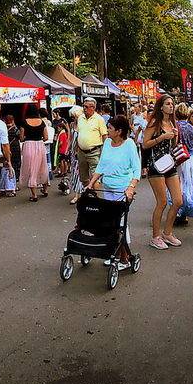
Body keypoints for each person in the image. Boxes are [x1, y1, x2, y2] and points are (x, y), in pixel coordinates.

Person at [85, 115, 141, 269]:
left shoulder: (129, 144)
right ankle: (113, 253)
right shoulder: (108, 143)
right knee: (109, 222)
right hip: (108, 188)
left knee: (120, 224)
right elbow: (101, 166)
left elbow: (136, 170)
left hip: (123, 190)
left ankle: (124, 258)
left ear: (119, 131)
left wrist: (131, 188)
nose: (107, 130)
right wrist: (91, 183)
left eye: (110, 128)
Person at [143, 94, 183, 250]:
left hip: (169, 163)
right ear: (161, 107)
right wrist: (162, 137)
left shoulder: (172, 122)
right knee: (162, 202)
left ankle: (168, 232)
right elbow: (145, 144)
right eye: (168, 104)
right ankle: (155, 237)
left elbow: (173, 145)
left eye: (172, 103)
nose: (171, 106)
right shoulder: (154, 123)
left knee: (178, 200)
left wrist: (174, 136)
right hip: (155, 165)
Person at [19, 105, 49, 202]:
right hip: (40, 145)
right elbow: (46, 137)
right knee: (42, 167)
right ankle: (45, 189)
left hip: (28, 145)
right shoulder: (42, 122)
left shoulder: (24, 122)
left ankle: (34, 194)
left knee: (31, 169)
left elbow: (21, 137)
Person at [174, 103, 193, 226]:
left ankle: (178, 211)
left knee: (178, 185)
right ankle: (187, 211)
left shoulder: (175, 126)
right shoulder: (191, 127)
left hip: (179, 157)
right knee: (190, 185)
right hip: (191, 157)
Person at [76, 97, 108, 189]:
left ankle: (96, 199)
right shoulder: (80, 118)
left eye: (86, 107)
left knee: (95, 176)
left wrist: (105, 152)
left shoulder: (99, 119)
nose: (84, 109)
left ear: (93, 107)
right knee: (83, 178)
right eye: (83, 106)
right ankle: (90, 194)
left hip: (94, 152)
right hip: (81, 152)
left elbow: (104, 136)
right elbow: (79, 134)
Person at [67, 106, 85, 205]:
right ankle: (78, 192)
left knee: (79, 173)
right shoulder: (72, 124)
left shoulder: (83, 125)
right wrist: (68, 148)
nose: (74, 118)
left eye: (75, 116)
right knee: (74, 172)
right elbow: (70, 138)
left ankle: (78, 195)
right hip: (73, 152)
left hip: (80, 151)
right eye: (73, 116)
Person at [5, 115, 21, 194]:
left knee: (7, 167)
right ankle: (14, 185)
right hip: (15, 149)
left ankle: (7, 184)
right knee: (15, 166)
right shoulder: (15, 129)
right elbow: (20, 137)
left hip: (7, 149)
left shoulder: (4, 128)